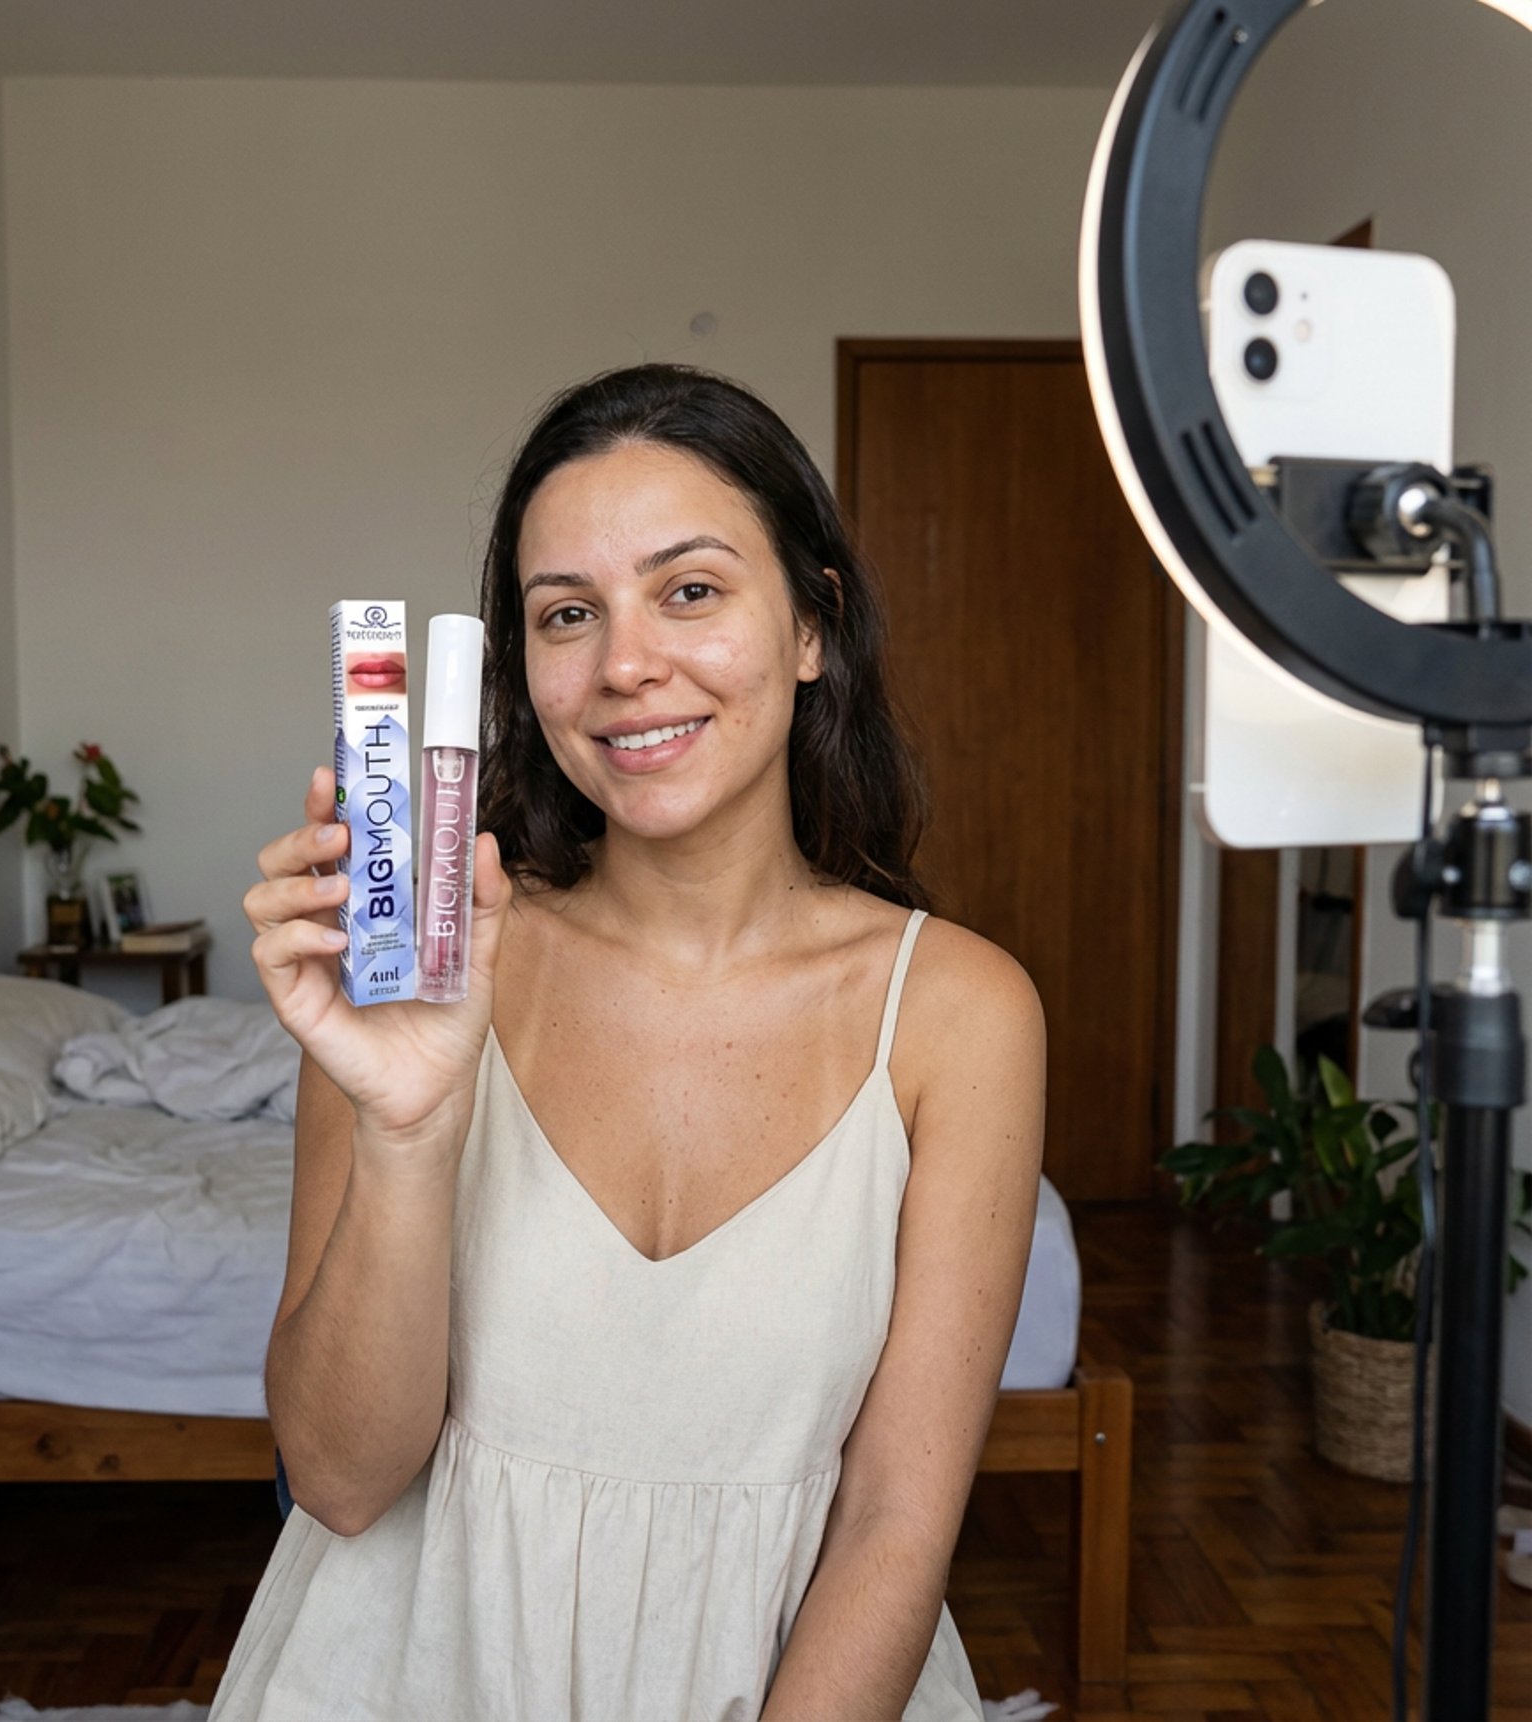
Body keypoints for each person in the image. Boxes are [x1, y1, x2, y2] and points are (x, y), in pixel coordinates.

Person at [212, 364, 1046, 1720]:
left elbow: (897, 1517)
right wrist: (410, 1132)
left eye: (693, 589)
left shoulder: (963, 1015)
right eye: (566, 613)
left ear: (815, 624)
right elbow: (342, 1477)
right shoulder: (420, 983)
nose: (625, 664)